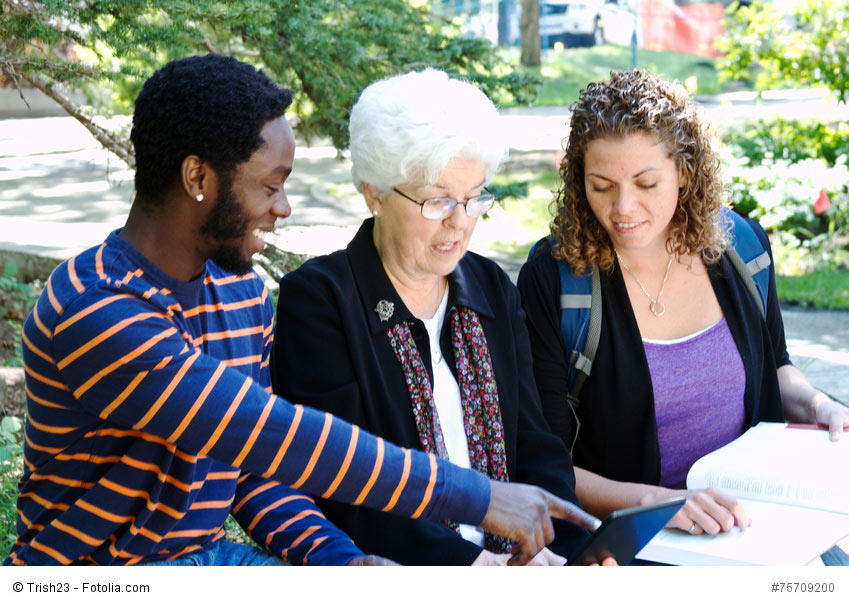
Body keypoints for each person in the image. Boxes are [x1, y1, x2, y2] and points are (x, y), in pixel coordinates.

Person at [4, 55, 600, 567]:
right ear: (198, 178)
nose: (284, 208)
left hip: (208, 558)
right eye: (270, 185)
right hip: (86, 574)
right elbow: (273, 436)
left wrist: (344, 563)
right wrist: (478, 497)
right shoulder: (95, 308)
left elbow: (256, 473)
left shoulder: (239, 295)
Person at [271, 68, 611, 566]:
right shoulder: (321, 301)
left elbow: (536, 445)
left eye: (475, 198)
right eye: (437, 200)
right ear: (375, 194)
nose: (459, 220)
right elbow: (345, 489)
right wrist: (471, 569)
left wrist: (560, 548)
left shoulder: (491, 286)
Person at [517, 69, 849, 542]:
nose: (622, 208)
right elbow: (543, 462)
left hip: (751, 531)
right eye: (601, 185)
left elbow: (776, 367)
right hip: (627, 544)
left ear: (685, 170)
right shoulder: (555, 280)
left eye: (646, 183)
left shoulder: (742, 248)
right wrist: (658, 503)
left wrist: (818, 404)